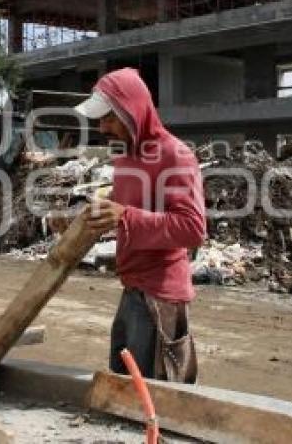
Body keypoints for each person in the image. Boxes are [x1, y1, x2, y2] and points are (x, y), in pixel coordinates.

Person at [73, 67, 206, 381]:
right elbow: (120, 214)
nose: (103, 127)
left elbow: (192, 228)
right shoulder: (127, 158)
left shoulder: (175, 155)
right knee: (125, 388)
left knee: (156, 398)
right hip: (133, 288)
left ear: (131, 111)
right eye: (100, 119)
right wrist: (80, 221)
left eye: (109, 118)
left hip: (160, 296)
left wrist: (124, 215)